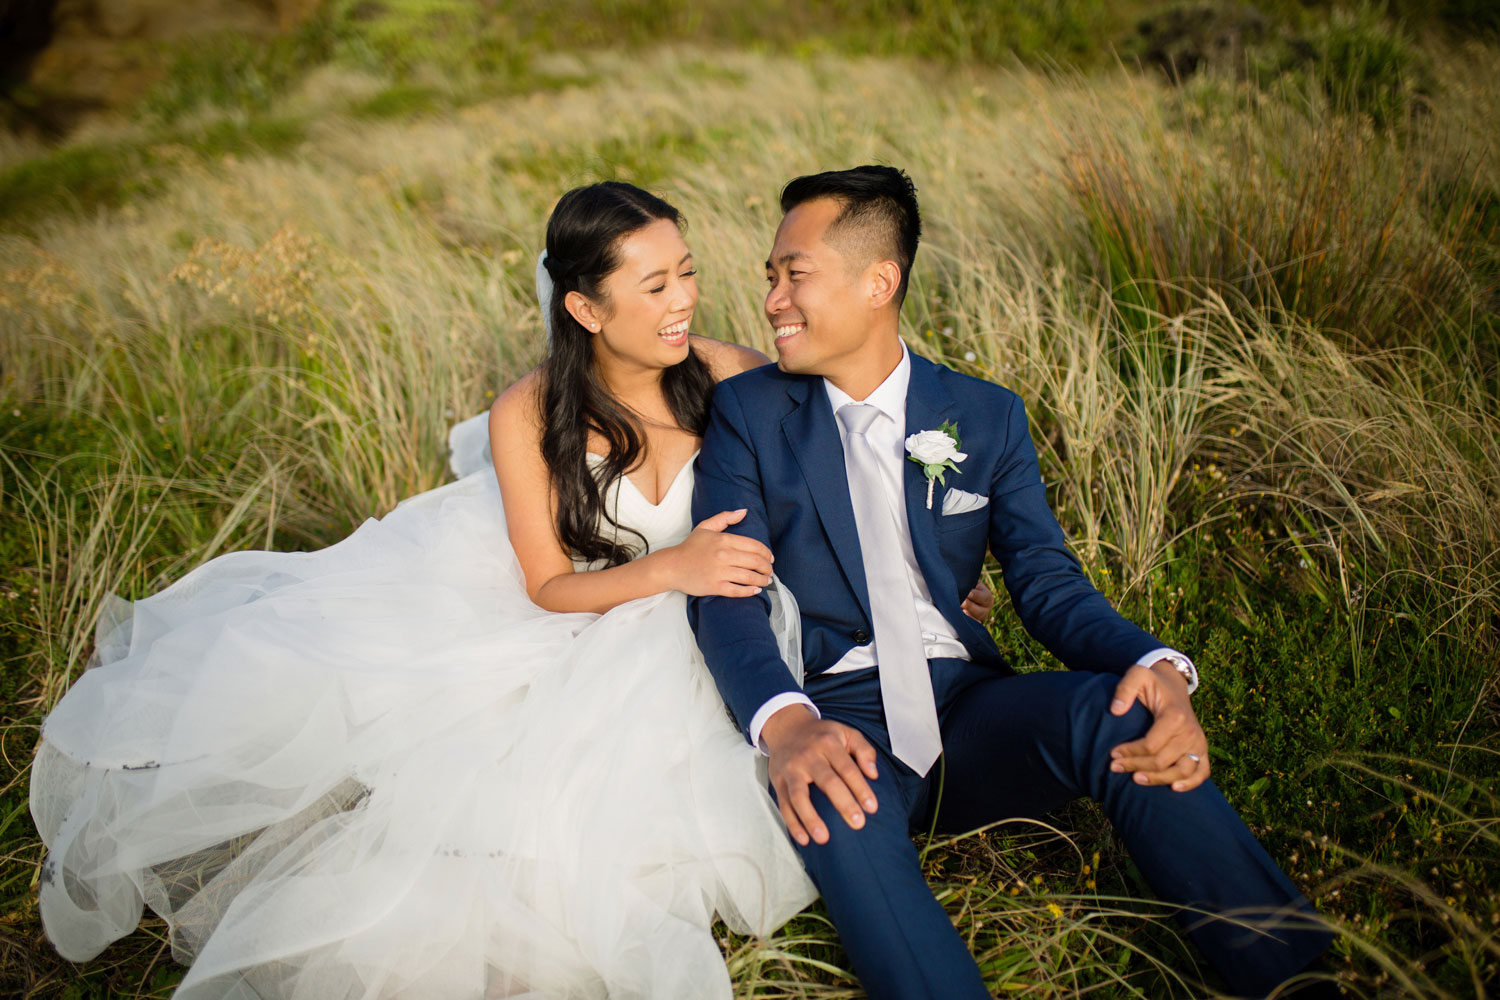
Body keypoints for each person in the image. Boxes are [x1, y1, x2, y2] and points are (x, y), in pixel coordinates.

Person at [29, 180, 996, 1000]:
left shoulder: (731, 376)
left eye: (688, 271)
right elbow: (543, 584)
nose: (684, 301)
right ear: (586, 307)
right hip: (596, 612)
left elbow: (833, 498)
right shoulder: (529, 412)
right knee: (516, 812)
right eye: (655, 284)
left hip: (731, 619)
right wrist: (669, 569)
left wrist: (921, 583)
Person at [687, 165, 1339, 1000]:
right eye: (770, 277)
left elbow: (1045, 583)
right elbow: (725, 596)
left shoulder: (985, 414)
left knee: (1125, 713)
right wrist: (786, 727)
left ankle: (1296, 981)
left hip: (966, 706)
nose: (773, 298)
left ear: (879, 281)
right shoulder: (749, 415)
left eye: (795, 275)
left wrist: (1162, 666)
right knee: (839, 804)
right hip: (835, 714)